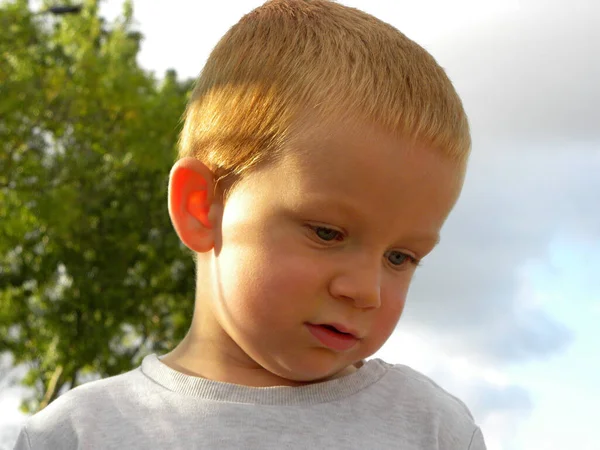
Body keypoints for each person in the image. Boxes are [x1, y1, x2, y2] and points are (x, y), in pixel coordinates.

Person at [14, 1, 486, 449]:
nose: (366, 291)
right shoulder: (79, 434)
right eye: (327, 232)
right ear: (202, 207)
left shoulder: (432, 430)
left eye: (400, 257)